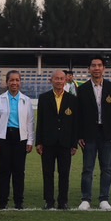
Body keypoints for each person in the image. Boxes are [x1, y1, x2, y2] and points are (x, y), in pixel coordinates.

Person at [75, 56, 111, 210]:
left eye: (99, 65)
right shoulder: (82, 89)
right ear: (89, 69)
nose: (96, 68)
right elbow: (78, 114)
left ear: (104, 68)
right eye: (93, 65)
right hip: (89, 134)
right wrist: (79, 135)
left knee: (106, 168)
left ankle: (104, 199)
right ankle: (86, 198)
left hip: (107, 134)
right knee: (87, 168)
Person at [0, 71, 34, 210]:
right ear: (7, 82)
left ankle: (18, 202)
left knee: (19, 171)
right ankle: (3, 201)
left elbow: (30, 122)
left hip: (21, 138)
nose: (14, 83)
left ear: (20, 82)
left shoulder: (26, 100)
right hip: (4, 138)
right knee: (4, 171)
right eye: (12, 80)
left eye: (17, 80)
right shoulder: (0, 99)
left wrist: (30, 141)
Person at [35, 69, 77, 209]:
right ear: (51, 80)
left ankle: (63, 201)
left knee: (64, 173)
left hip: (65, 142)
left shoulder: (72, 99)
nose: (59, 81)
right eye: (56, 78)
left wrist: (74, 143)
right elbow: (40, 121)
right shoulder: (44, 98)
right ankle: (49, 201)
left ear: (65, 81)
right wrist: (39, 142)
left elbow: (75, 123)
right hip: (48, 142)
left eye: (61, 78)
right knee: (47, 173)